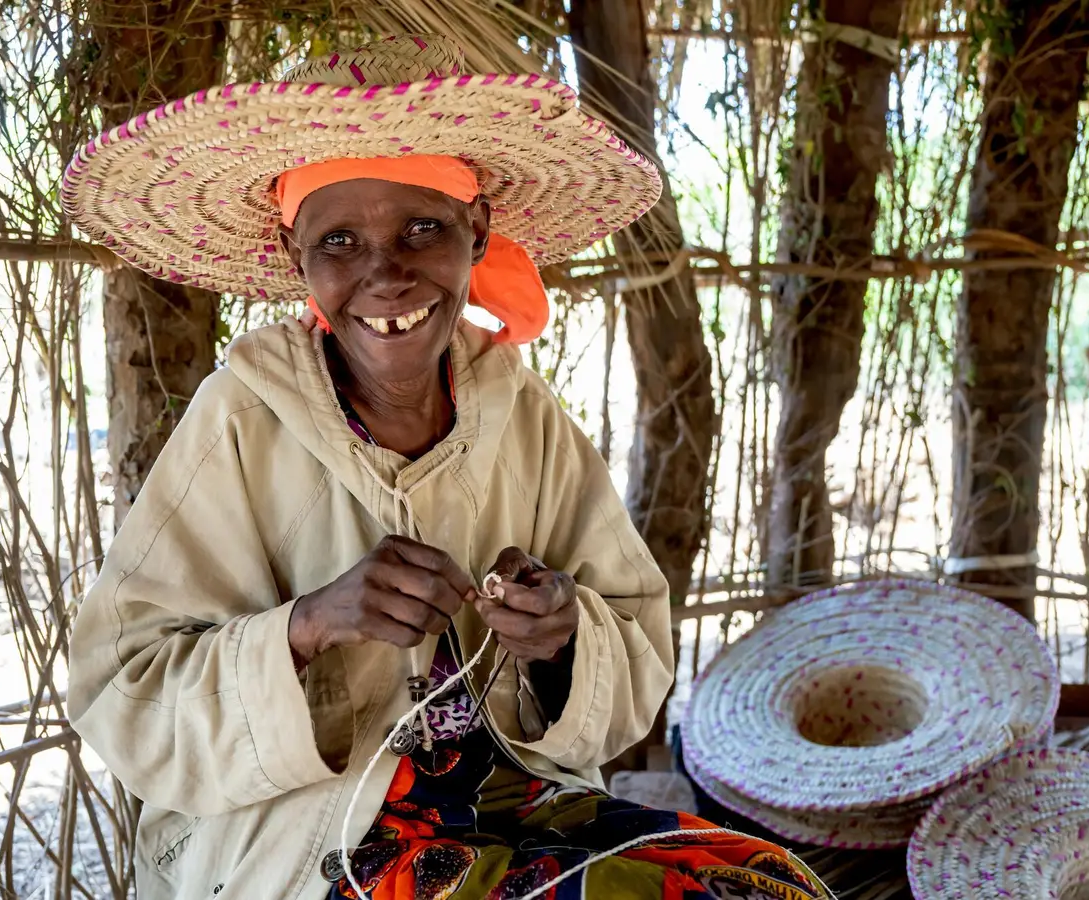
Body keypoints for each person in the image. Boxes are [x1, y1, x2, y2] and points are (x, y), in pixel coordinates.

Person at [64, 34, 826, 900]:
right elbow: (121, 691)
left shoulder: (525, 418)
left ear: (477, 233)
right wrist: (308, 625)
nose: (385, 276)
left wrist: (563, 638)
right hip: (313, 834)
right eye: (339, 242)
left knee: (764, 886)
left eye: (423, 229)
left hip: (512, 801)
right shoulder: (240, 419)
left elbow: (636, 652)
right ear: (293, 259)